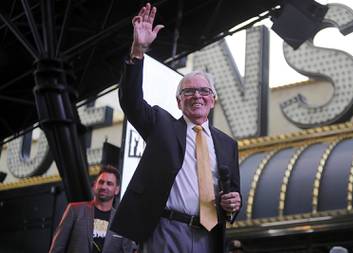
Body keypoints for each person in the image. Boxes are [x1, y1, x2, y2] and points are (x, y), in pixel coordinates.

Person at [111, 3, 241, 253]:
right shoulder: (162, 125)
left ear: (213, 99)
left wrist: (234, 203)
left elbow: (233, 194)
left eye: (204, 91)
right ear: (178, 101)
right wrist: (138, 50)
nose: (197, 96)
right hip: (166, 230)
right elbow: (131, 101)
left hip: (210, 236)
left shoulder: (228, 144)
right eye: (188, 91)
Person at [49, 165, 136, 253]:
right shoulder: (75, 210)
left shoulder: (121, 220)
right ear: (95, 185)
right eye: (101, 182)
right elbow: (57, 247)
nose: (104, 187)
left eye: (109, 183)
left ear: (117, 190)